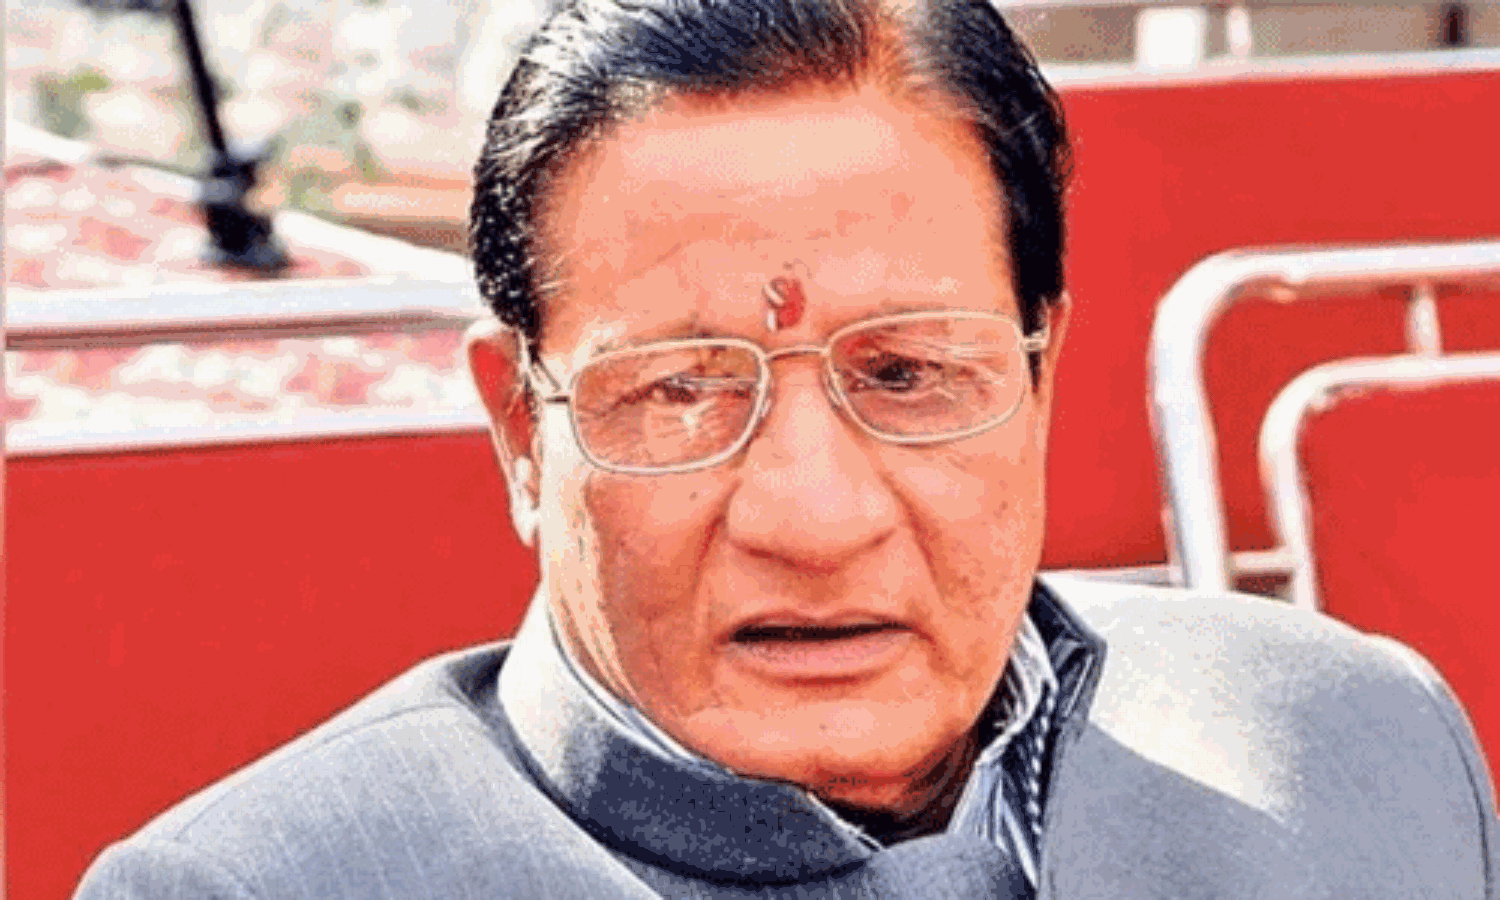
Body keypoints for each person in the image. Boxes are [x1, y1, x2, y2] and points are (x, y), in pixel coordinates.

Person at [77, 0, 1497, 897]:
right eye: (682, 390)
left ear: (1041, 376)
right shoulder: (266, 885)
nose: (814, 518)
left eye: (909, 374)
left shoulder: (1357, 752)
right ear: (521, 429)